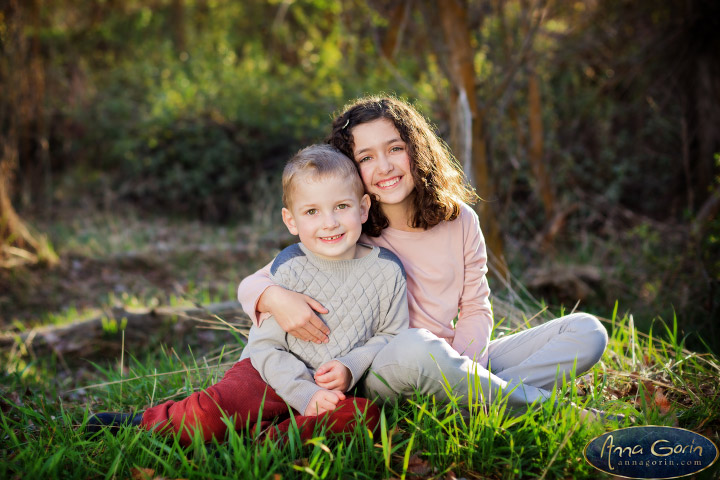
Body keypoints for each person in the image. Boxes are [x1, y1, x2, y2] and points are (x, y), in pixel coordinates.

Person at [238, 95, 609, 412]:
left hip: (456, 356)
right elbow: (256, 282)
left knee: (586, 332)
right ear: (352, 171)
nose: (384, 166)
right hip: (381, 368)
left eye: (395, 149)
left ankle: (469, 398)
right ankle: (547, 408)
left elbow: (477, 307)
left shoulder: (460, 220)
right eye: (366, 157)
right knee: (418, 348)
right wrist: (273, 296)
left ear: (417, 149)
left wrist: (464, 365)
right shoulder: (351, 227)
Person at [87, 144, 409, 445]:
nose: (330, 222)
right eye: (312, 212)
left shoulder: (387, 271)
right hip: (267, 375)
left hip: (331, 390)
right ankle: (149, 422)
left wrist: (350, 367)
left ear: (363, 208)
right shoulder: (288, 269)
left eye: (341, 206)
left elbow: (391, 333)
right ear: (290, 220)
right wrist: (303, 394)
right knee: (213, 411)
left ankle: (258, 444)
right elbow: (264, 346)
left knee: (363, 417)